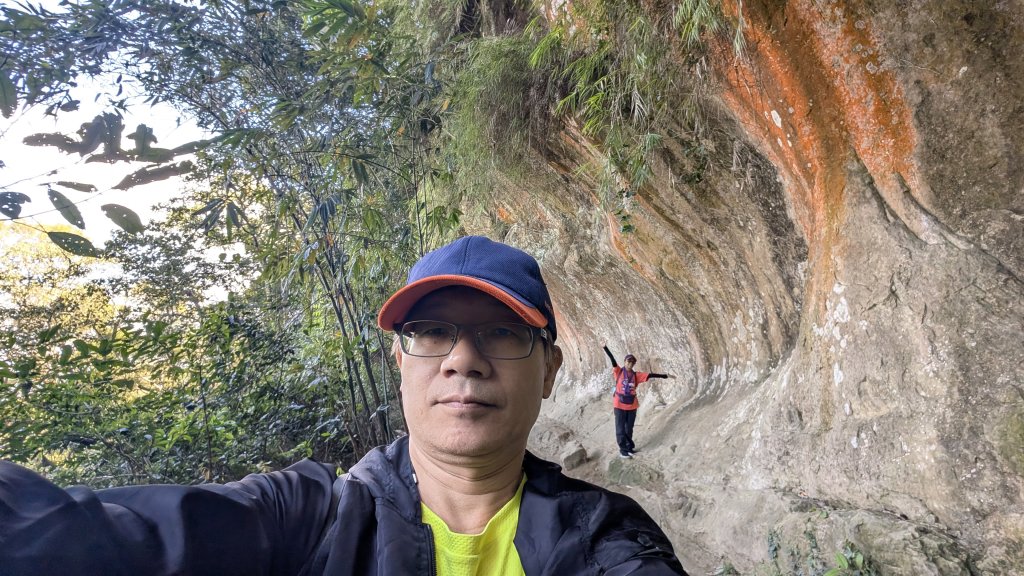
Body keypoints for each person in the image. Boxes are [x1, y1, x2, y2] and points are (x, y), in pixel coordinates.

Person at [0, 235, 688, 576]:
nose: (461, 358)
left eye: (502, 333)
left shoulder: (607, 541)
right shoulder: (311, 521)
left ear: (549, 372)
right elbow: (115, 538)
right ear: (401, 363)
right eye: (431, 332)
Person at [603, 345, 674, 459]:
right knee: (620, 429)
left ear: (634, 364)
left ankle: (629, 448)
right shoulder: (618, 371)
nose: (630, 364)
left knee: (629, 429)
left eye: (632, 362)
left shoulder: (636, 375)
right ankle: (623, 450)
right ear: (625, 362)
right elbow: (612, 360)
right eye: (628, 361)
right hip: (619, 405)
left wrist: (665, 376)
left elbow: (650, 375)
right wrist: (605, 347)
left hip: (632, 406)